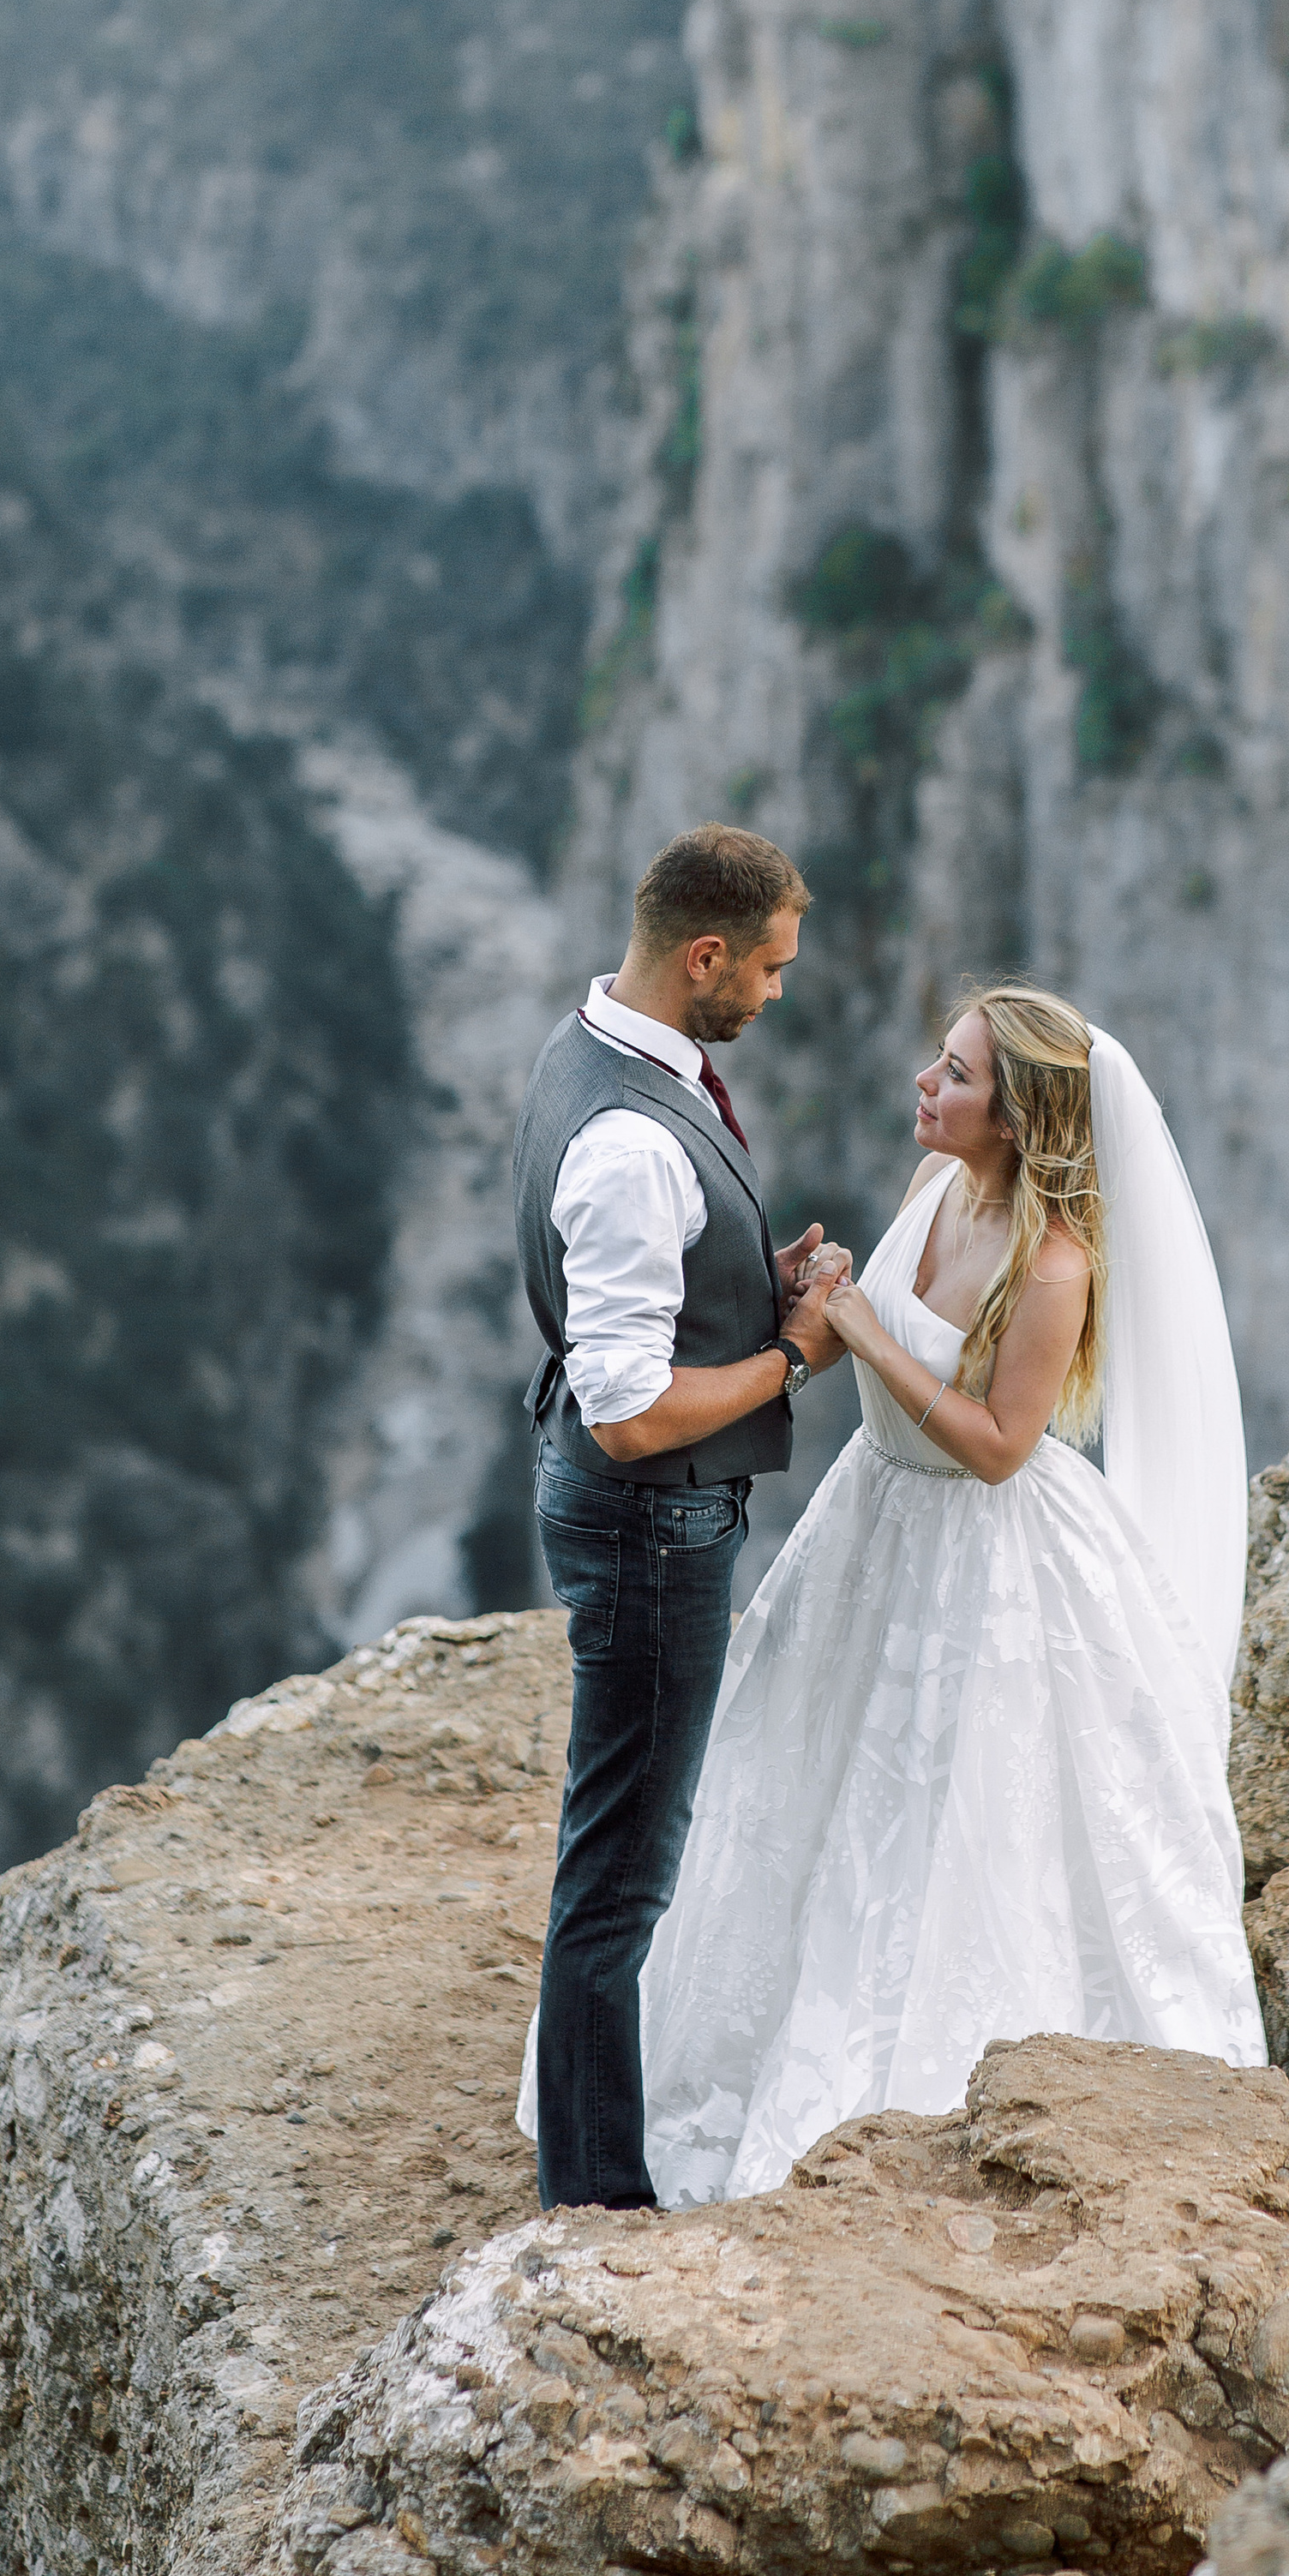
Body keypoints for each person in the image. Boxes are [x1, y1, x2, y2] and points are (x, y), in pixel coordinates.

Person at [628, 981, 1264, 2207]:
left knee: (964, 1818)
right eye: (940, 1059)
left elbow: (998, 1447)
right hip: (877, 1526)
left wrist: (860, 1333)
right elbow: (896, 1337)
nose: (928, 1082)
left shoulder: (1057, 1264)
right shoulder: (933, 1192)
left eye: (958, 1073)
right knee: (807, 1786)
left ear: (1017, 1117)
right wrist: (826, 1298)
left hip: (988, 1559)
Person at [508, 822, 849, 2211]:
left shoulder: (591, 1050)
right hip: (652, 1527)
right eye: (766, 970)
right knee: (622, 1875)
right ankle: (595, 2200)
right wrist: (793, 1358)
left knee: (619, 1849)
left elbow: (631, 1311)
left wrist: (746, 1285)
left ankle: (591, 2159)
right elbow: (632, 1413)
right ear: (704, 955)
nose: (775, 994)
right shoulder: (633, 1151)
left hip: (625, 1512)